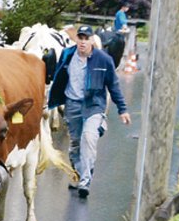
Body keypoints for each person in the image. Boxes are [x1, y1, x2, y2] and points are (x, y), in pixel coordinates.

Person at [47, 25, 131, 199]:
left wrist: (122, 109)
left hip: (94, 105)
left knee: (89, 138)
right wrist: (51, 99)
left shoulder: (103, 59)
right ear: (76, 39)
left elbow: (113, 86)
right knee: (76, 143)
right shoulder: (67, 55)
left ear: (92, 40)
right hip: (72, 104)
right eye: (80, 38)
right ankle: (78, 174)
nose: (83, 42)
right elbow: (57, 78)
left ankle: (85, 181)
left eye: (87, 38)